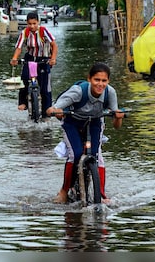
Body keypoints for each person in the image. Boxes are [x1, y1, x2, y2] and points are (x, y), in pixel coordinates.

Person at [46, 63, 125, 204]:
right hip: (72, 123)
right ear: (89, 79)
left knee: (97, 156)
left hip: (95, 123)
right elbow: (54, 109)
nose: (100, 84)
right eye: (96, 80)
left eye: (104, 81)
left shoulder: (110, 93)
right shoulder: (78, 91)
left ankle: (101, 194)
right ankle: (64, 191)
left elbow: (117, 126)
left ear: (108, 81)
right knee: (75, 154)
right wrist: (55, 111)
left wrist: (118, 117)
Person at [10, 11, 58, 117]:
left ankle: (47, 111)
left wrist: (53, 59)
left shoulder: (43, 31)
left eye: (34, 23)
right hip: (30, 58)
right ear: (27, 23)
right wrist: (14, 58)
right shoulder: (25, 32)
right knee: (24, 78)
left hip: (44, 59)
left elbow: (54, 45)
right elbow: (19, 47)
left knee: (45, 87)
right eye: (30, 24)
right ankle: (23, 102)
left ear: (38, 22)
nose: (32, 26)